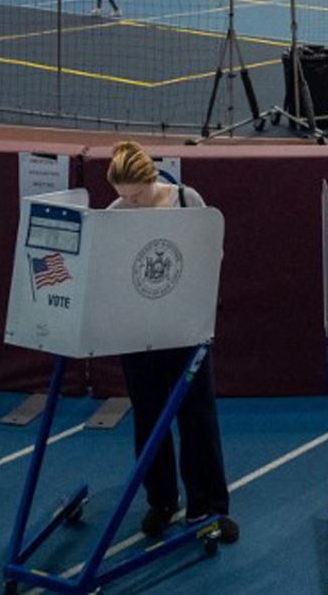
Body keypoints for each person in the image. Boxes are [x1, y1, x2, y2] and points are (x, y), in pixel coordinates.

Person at [105, 142, 238, 543]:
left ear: (152, 179)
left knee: (198, 418)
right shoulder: (113, 215)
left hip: (185, 331)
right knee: (148, 418)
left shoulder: (185, 199)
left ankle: (209, 505)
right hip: (139, 334)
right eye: (122, 195)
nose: (130, 202)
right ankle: (160, 500)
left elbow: (210, 253)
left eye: (137, 194)